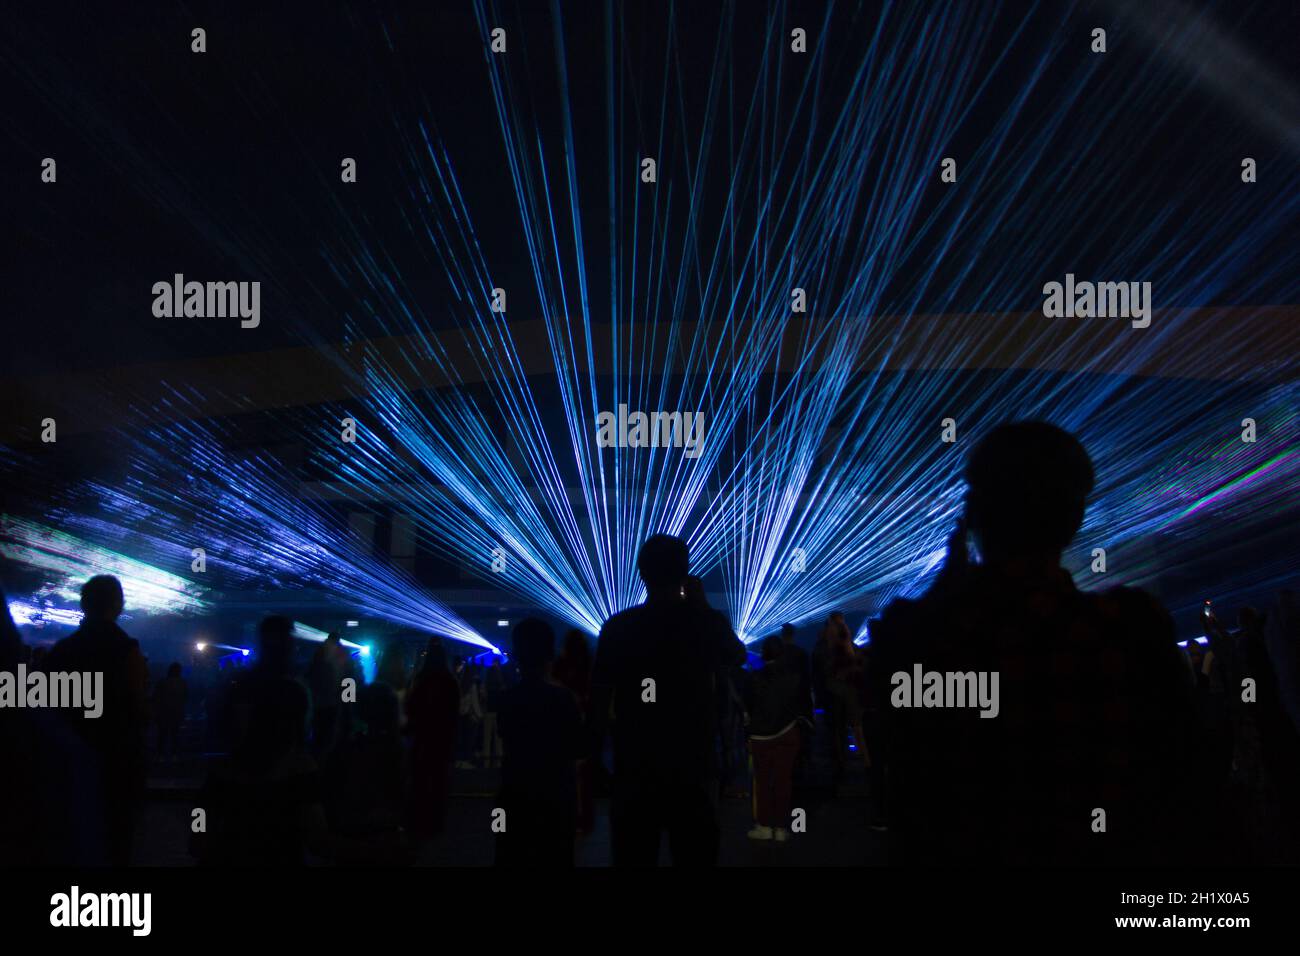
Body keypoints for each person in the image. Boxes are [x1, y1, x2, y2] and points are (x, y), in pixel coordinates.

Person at [868, 422, 1204, 865]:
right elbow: (1183, 773)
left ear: (973, 515)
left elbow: (892, 736)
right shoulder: (1129, 629)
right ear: (1074, 519)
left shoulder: (917, 636)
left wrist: (939, 600)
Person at [589, 535, 746, 866]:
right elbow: (737, 654)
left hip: (636, 766)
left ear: (641, 574)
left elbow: (599, 699)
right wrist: (702, 607)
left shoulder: (619, 627)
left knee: (633, 856)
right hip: (692, 765)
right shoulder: (705, 623)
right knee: (695, 855)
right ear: (686, 574)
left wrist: (593, 761)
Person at [43, 575, 149, 866]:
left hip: (71, 760)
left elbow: (49, 708)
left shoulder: (62, 652)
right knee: (116, 841)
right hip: (118, 760)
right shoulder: (128, 651)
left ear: (84, 604)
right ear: (118, 604)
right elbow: (138, 707)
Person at [495, 619, 585, 866]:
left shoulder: (506, 699)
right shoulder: (564, 699)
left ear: (516, 656)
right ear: (550, 656)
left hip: (514, 794)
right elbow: (577, 749)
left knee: (508, 853)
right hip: (555, 799)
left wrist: (497, 823)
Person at [744, 636, 807, 842]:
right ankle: (781, 827)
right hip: (787, 731)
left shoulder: (754, 677)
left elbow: (749, 706)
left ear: (763, 653)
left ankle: (763, 825)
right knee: (783, 780)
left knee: (762, 782)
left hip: (761, 735)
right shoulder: (794, 676)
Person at [405, 637, 459, 840]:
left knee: (420, 777)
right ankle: (436, 820)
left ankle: (418, 819)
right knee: (439, 779)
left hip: (422, 736)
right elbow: (454, 713)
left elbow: (411, 708)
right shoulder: (450, 682)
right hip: (442, 737)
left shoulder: (421, 680)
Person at [552, 630, 596, 832]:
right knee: (584, 773)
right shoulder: (589, 664)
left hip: (564, 721)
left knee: (566, 771)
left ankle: (569, 815)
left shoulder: (561, 665)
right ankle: (584, 817)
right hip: (585, 721)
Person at [153, 662, 188, 764]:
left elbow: (156, 697)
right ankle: (174, 755)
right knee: (175, 735)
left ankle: (160, 755)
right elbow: (185, 697)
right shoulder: (182, 683)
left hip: (164, 712)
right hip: (176, 712)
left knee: (162, 735)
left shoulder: (162, 682)